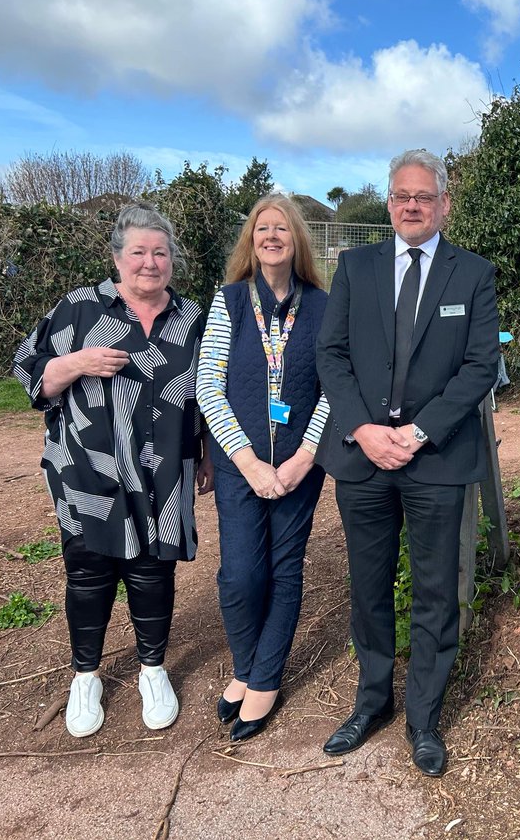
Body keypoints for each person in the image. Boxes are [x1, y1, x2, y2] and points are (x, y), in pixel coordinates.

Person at [316, 149, 500, 777]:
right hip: (363, 458)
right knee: (367, 589)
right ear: (389, 202)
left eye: (423, 196)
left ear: (444, 203)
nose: (412, 205)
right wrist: (364, 429)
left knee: (434, 592)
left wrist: (418, 432)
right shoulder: (356, 267)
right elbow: (331, 354)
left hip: (437, 459)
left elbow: (479, 367)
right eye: (401, 196)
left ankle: (424, 715)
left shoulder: (472, 273)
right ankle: (372, 703)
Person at [12, 203, 212, 739]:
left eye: (160, 252)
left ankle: (153, 669)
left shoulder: (193, 319)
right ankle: (86, 677)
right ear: (117, 258)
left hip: (165, 472)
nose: (150, 263)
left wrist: (209, 451)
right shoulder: (80, 307)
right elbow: (28, 368)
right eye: (139, 252)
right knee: (88, 572)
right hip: (87, 471)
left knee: (154, 570)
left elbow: (211, 395)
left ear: (173, 260)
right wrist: (76, 362)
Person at [196, 194, 330, 742]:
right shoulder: (228, 301)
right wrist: (248, 461)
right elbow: (209, 385)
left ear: (297, 239)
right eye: (261, 229)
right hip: (239, 466)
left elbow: (334, 389)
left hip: (300, 467)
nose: (271, 236)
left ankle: (264, 679)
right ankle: (247, 667)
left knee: (284, 570)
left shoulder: (322, 305)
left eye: (282, 228)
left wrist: (305, 457)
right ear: (251, 241)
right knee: (240, 574)